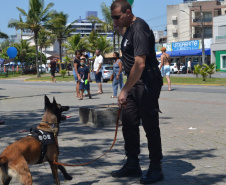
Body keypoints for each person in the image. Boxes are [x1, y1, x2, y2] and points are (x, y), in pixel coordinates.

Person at [110, 1, 164, 184]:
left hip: (146, 82)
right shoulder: (129, 30)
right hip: (134, 82)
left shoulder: (139, 28)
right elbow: (129, 46)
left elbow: (140, 63)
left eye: (117, 17)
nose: (115, 20)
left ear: (128, 12)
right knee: (129, 123)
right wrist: (119, 29)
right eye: (112, 18)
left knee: (150, 125)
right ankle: (133, 163)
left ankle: (156, 167)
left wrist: (124, 89)